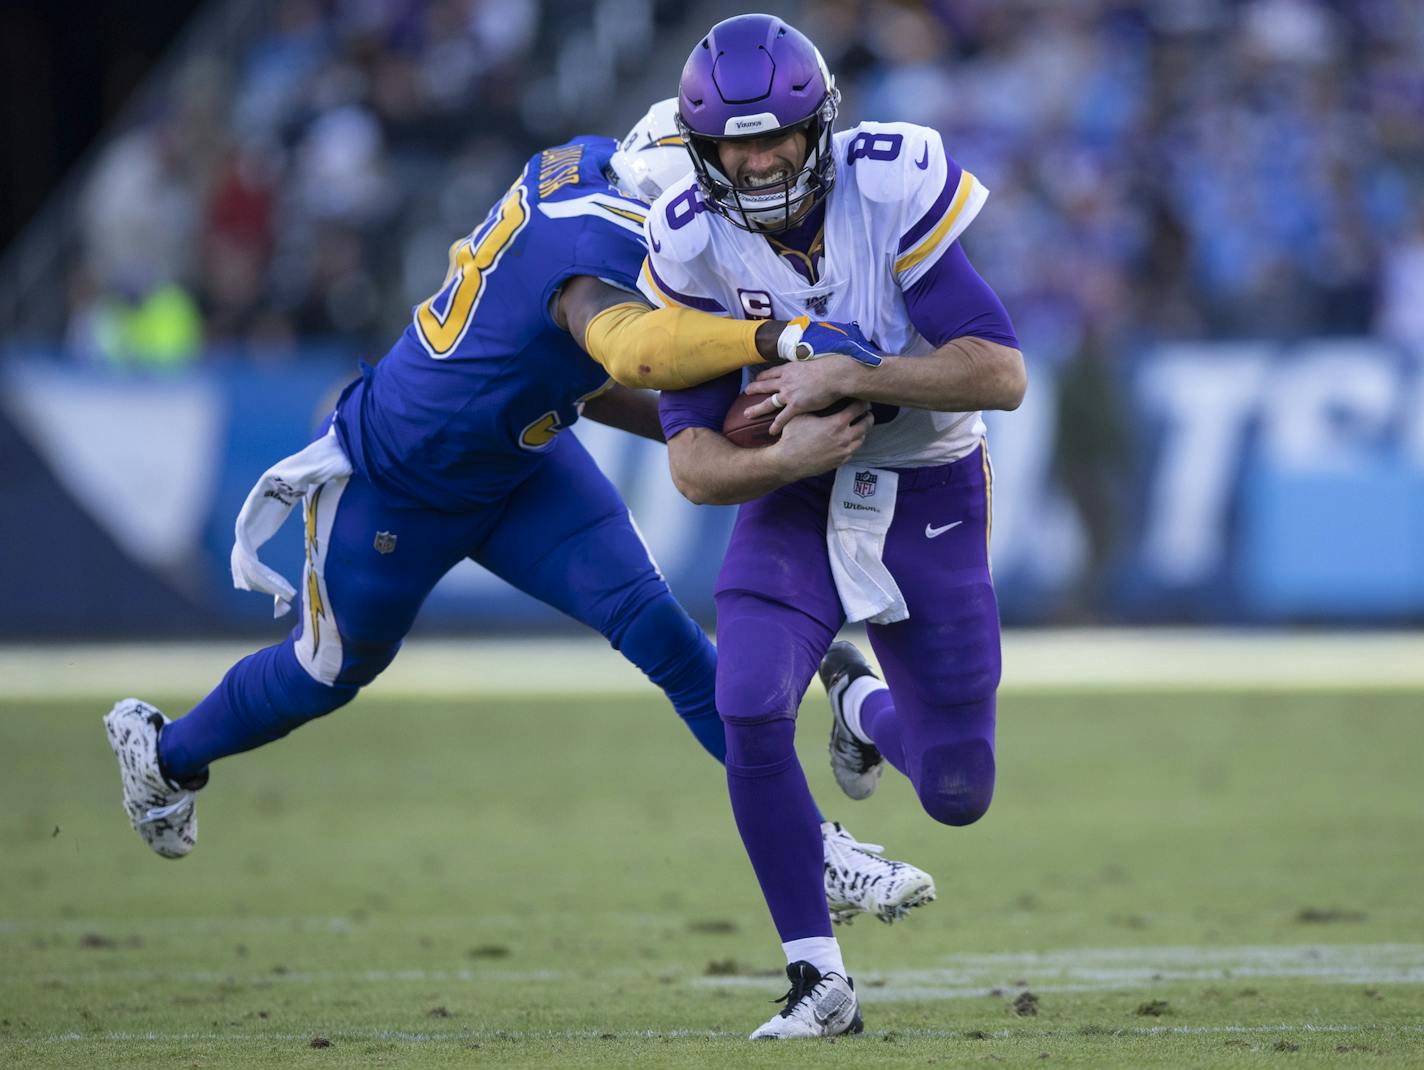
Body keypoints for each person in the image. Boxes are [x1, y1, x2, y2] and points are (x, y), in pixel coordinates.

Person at [103, 100, 937, 928]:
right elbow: (629, 351)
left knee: (666, 640)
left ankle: (818, 850)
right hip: (401, 480)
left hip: (523, 460)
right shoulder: (601, 245)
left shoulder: (593, 164)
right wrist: (781, 340)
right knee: (323, 674)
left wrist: (725, 431)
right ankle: (166, 756)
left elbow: (590, 378)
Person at [647, 16, 1026, 1039]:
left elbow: (999, 371)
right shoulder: (685, 239)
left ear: (820, 125)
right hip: (799, 489)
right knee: (746, 697)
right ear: (702, 148)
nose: (758, 158)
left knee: (955, 789)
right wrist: (780, 460)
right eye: (734, 141)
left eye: (775, 135)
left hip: (930, 482)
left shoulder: (891, 180)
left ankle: (859, 709)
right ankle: (817, 977)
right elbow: (689, 461)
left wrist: (846, 373)